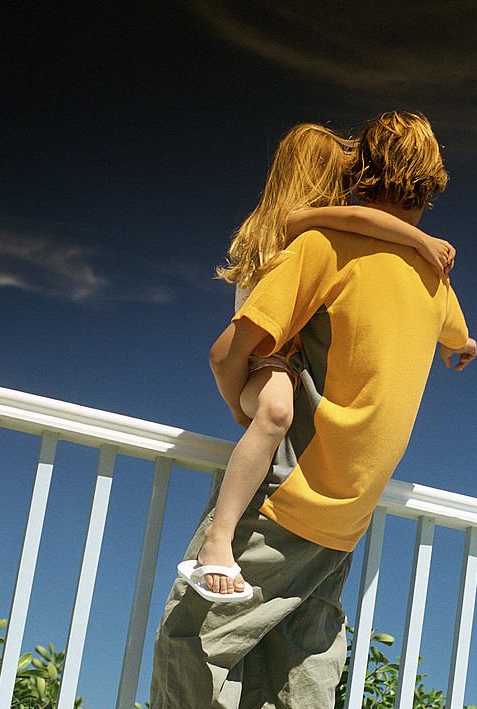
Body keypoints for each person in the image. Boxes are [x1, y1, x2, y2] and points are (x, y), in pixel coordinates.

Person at [102, 111, 477, 709]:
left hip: (291, 486)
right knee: (305, 661)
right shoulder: (430, 276)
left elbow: (233, 343)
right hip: (354, 500)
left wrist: (249, 398)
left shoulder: (319, 247)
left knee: (196, 633)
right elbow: (460, 346)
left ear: (363, 173)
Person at [179, 122, 457, 602]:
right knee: (273, 415)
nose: (349, 188)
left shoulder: (302, 231)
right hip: (270, 358)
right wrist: (420, 242)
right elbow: (365, 221)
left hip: (273, 359)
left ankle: (221, 534)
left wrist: (460, 338)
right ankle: (219, 539)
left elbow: (367, 225)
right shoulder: (301, 230)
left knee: (269, 415)